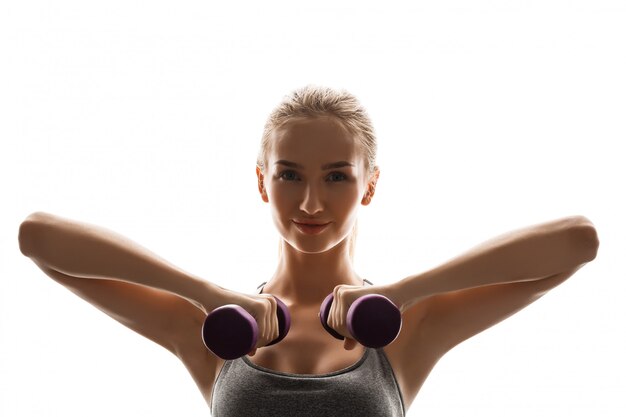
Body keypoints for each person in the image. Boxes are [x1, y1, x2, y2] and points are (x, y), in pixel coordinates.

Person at [18, 85, 600, 417]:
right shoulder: (214, 330)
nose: (312, 203)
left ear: (370, 183)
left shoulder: (409, 328)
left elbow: (577, 242)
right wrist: (206, 295)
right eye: (291, 175)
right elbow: (38, 238)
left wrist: (401, 293)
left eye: (338, 177)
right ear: (261, 181)